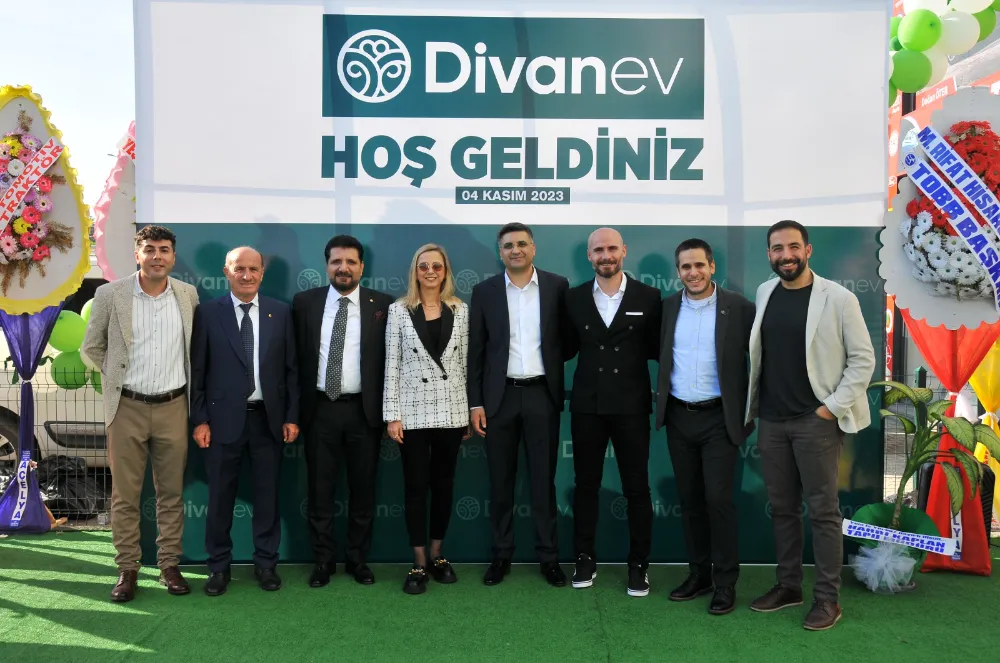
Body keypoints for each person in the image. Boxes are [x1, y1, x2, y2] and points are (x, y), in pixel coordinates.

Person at [746, 220, 875, 631]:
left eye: (792, 247)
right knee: (783, 509)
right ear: (769, 254)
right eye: (777, 248)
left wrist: (830, 409)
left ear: (808, 250)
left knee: (823, 513)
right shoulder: (765, 292)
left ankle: (827, 599)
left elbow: (863, 360)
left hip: (815, 422)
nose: (786, 255)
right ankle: (789, 587)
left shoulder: (838, 298)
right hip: (772, 421)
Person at [81, 225, 200, 602]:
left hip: (174, 406)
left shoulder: (187, 295)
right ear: (137, 254)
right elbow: (91, 347)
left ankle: (169, 565)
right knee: (125, 495)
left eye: (164, 250)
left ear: (173, 257)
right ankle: (127, 569)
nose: (157, 256)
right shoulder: (110, 294)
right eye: (149, 249)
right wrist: (117, 376)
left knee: (171, 493)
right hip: (126, 407)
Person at [189, 247, 300, 595]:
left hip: (269, 421)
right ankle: (218, 567)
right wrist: (200, 419)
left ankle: (266, 564)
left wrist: (292, 416)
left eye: (254, 269)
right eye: (240, 269)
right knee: (220, 499)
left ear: (262, 273)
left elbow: (292, 370)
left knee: (268, 498)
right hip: (221, 423)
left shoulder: (281, 313)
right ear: (227, 272)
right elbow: (198, 371)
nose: (247, 275)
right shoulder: (208, 313)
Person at [655, 238, 755, 615]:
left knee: (718, 500)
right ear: (678, 272)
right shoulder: (667, 308)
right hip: (679, 416)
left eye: (699, 265)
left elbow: (762, 357)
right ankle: (699, 575)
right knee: (690, 500)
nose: (693, 272)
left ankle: (725, 582)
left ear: (712, 267)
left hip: (720, 418)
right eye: (686, 267)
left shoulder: (739, 307)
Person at [467, 222, 570, 587]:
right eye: (509, 245)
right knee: (501, 483)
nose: (516, 250)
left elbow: (567, 340)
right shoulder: (485, 291)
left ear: (533, 248)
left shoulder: (557, 286)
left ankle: (549, 558)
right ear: (501, 252)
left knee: (543, 482)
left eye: (522, 244)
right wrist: (475, 403)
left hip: (543, 394)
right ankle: (501, 555)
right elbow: (476, 351)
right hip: (500, 398)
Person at [564, 228, 661, 597]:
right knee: (585, 485)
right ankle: (584, 558)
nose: (605, 255)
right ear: (589, 256)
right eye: (598, 250)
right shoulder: (573, 298)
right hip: (587, 405)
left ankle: (639, 565)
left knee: (637, 487)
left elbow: (656, 348)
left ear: (624, 251)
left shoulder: (648, 296)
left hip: (631, 406)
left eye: (611, 248)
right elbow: (564, 347)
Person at [292, 235, 393, 587]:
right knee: (320, 492)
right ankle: (323, 561)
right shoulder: (305, 303)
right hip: (319, 410)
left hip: (364, 412)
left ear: (362, 267)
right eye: (336, 261)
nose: (343, 268)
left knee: (363, 491)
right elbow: (294, 361)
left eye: (350, 262)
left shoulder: (383, 305)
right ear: (327, 266)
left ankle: (357, 560)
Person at [383, 243, 471, 595]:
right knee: (416, 487)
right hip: (412, 412)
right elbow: (392, 364)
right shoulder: (399, 310)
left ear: (446, 270)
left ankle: (437, 555)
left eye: (437, 265)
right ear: (415, 271)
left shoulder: (460, 309)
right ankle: (418, 561)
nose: (430, 271)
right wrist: (392, 414)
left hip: (451, 410)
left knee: (444, 485)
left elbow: (465, 363)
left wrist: (467, 412)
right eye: (424, 266)